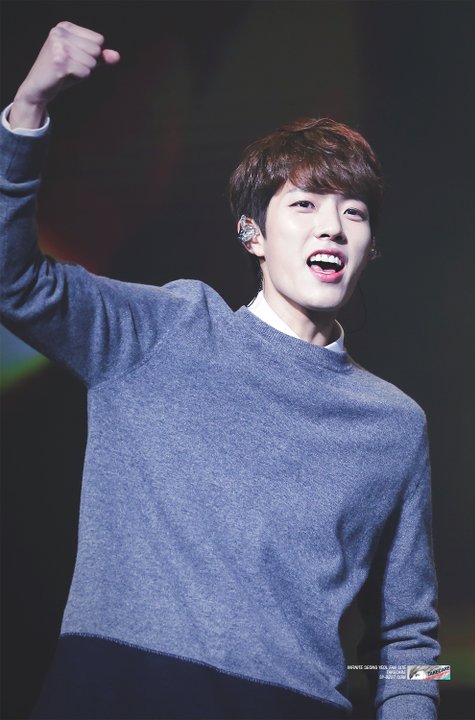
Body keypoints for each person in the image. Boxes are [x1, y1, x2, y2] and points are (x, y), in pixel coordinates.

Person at [1, 21, 440, 720]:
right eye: (305, 204)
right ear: (253, 234)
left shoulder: (393, 424)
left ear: (368, 248)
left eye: (353, 212)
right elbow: (15, 281)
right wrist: (28, 109)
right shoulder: (163, 331)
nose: (332, 227)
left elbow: (410, 638)